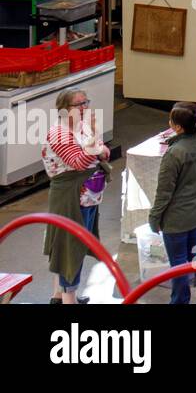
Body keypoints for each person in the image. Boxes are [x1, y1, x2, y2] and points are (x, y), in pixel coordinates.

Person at [41, 88, 111, 303]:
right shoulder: (60, 133)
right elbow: (79, 162)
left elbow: (104, 151)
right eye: (79, 104)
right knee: (69, 249)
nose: (85, 107)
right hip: (72, 198)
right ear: (64, 110)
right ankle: (68, 301)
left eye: (86, 102)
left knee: (71, 247)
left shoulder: (81, 127)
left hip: (87, 197)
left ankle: (59, 296)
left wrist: (96, 145)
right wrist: (95, 144)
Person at [149, 102, 196, 304]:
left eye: (171, 119)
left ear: (178, 127)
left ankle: (180, 301)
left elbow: (164, 192)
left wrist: (154, 218)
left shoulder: (174, 153)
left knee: (179, 263)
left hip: (177, 219)